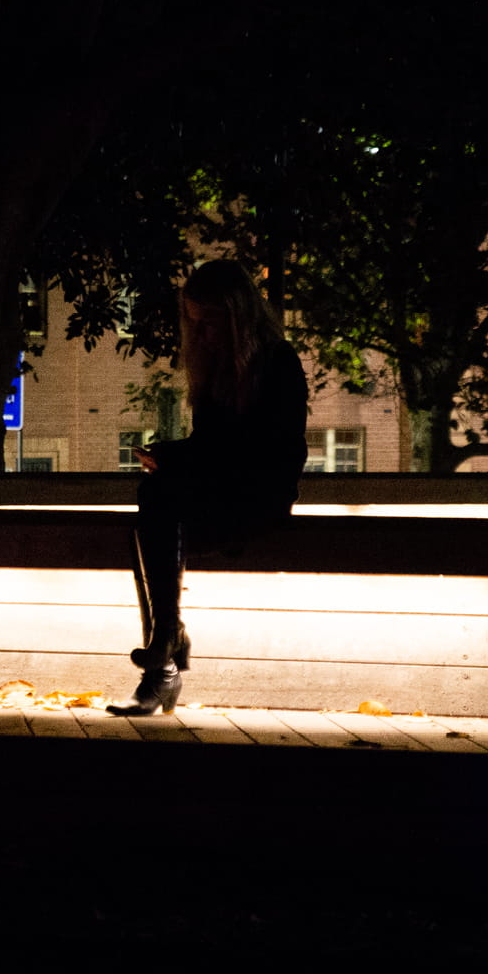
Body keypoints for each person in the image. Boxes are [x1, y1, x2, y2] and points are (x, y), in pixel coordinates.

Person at [107, 260, 308, 716]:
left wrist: (182, 458)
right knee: (154, 507)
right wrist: (173, 454)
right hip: (219, 493)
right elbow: (211, 446)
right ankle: (165, 643)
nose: (205, 335)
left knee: (154, 510)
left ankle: (162, 660)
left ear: (238, 318)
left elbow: (267, 452)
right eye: (195, 324)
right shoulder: (216, 366)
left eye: (212, 323)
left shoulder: (278, 362)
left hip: (259, 498)